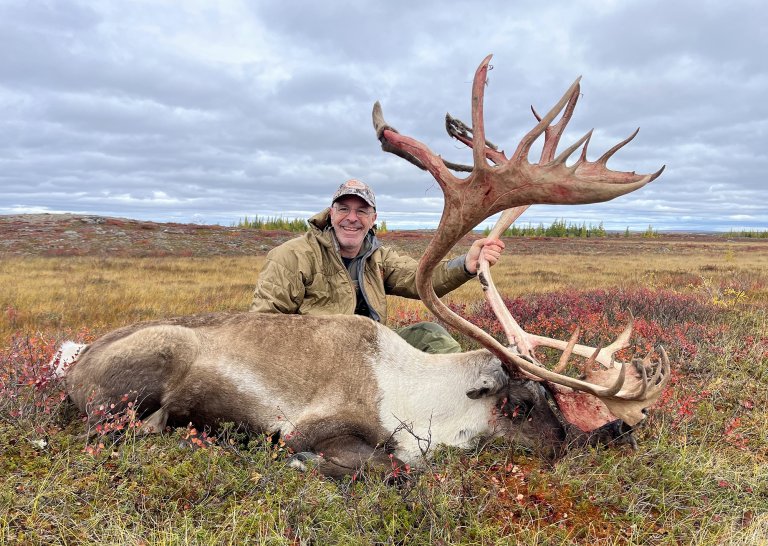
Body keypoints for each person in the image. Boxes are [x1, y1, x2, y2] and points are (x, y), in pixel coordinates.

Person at [250, 179, 505, 354]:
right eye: (344, 209)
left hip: (371, 352)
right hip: (316, 360)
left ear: (374, 219)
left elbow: (421, 279)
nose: (352, 218)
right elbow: (262, 326)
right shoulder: (291, 257)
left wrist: (466, 265)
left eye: (362, 211)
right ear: (331, 213)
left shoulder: (378, 257)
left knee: (431, 336)